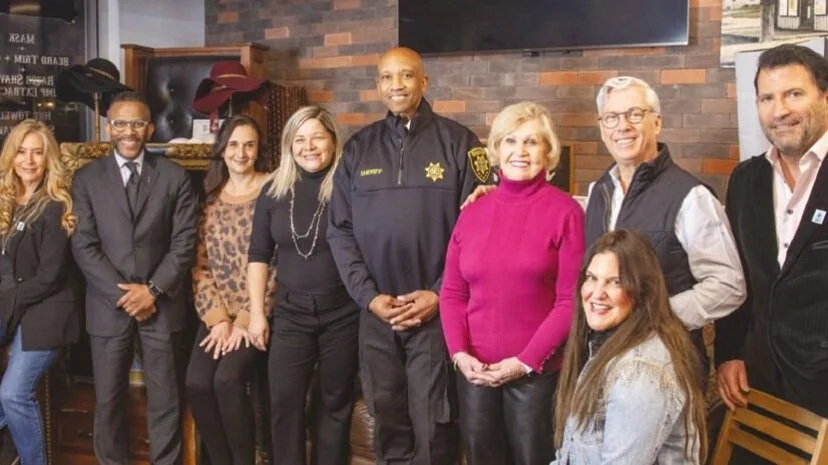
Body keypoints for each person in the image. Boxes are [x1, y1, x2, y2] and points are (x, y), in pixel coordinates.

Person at [327, 47, 489, 464]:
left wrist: (439, 293)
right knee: (387, 418)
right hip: (376, 313)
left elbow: (478, 232)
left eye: (406, 75)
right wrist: (368, 297)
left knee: (434, 424)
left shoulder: (461, 143)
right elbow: (339, 231)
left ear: (424, 82)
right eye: (387, 77)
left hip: (435, 312)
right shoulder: (358, 149)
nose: (396, 85)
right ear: (378, 85)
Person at [439, 102, 584, 465]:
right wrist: (459, 354)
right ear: (496, 149)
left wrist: (525, 362)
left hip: (537, 376)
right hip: (475, 373)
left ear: (548, 152)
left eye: (532, 142)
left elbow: (570, 301)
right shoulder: (472, 212)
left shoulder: (567, 213)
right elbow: (452, 293)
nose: (520, 151)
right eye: (511, 141)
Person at [71, 91, 198, 465]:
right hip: (108, 307)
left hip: (162, 305)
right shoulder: (86, 178)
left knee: (166, 400)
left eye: (137, 123)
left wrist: (152, 291)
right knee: (109, 402)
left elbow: (185, 242)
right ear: (109, 128)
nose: (129, 131)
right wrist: (125, 296)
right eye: (121, 123)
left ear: (150, 128)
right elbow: (84, 246)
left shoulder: (175, 177)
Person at [716, 43, 828, 422]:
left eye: (794, 94)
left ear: (825, 97)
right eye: (767, 98)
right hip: (757, 384)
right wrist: (729, 352)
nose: (779, 111)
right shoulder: (746, 179)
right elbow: (739, 277)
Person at [247, 106, 359, 465]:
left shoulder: (350, 186)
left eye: (317, 138)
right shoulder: (272, 190)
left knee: (334, 402)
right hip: (291, 314)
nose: (308, 147)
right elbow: (258, 255)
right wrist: (256, 314)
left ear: (332, 141)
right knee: (285, 402)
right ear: (289, 145)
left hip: (343, 315)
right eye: (299, 139)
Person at [553, 229, 707, 465]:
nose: (597, 293)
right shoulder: (607, 344)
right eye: (592, 278)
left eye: (615, 282)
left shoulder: (639, 372)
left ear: (643, 292)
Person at [185, 115, 275, 465]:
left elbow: (279, 264)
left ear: (259, 150)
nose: (241, 153)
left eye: (249, 145)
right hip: (219, 314)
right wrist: (219, 319)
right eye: (234, 144)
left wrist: (246, 319)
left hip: (260, 312)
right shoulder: (209, 201)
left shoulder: (273, 191)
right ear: (222, 150)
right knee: (197, 383)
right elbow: (200, 266)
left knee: (226, 380)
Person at [0, 119, 81, 465]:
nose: (29, 161)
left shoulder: (55, 205)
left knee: (13, 394)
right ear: (11, 155)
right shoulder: (5, 200)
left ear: (49, 159)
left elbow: (49, 276)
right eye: (22, 152)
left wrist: (8, 301)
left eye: (38, 153)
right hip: (11, 306)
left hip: (47, 313)